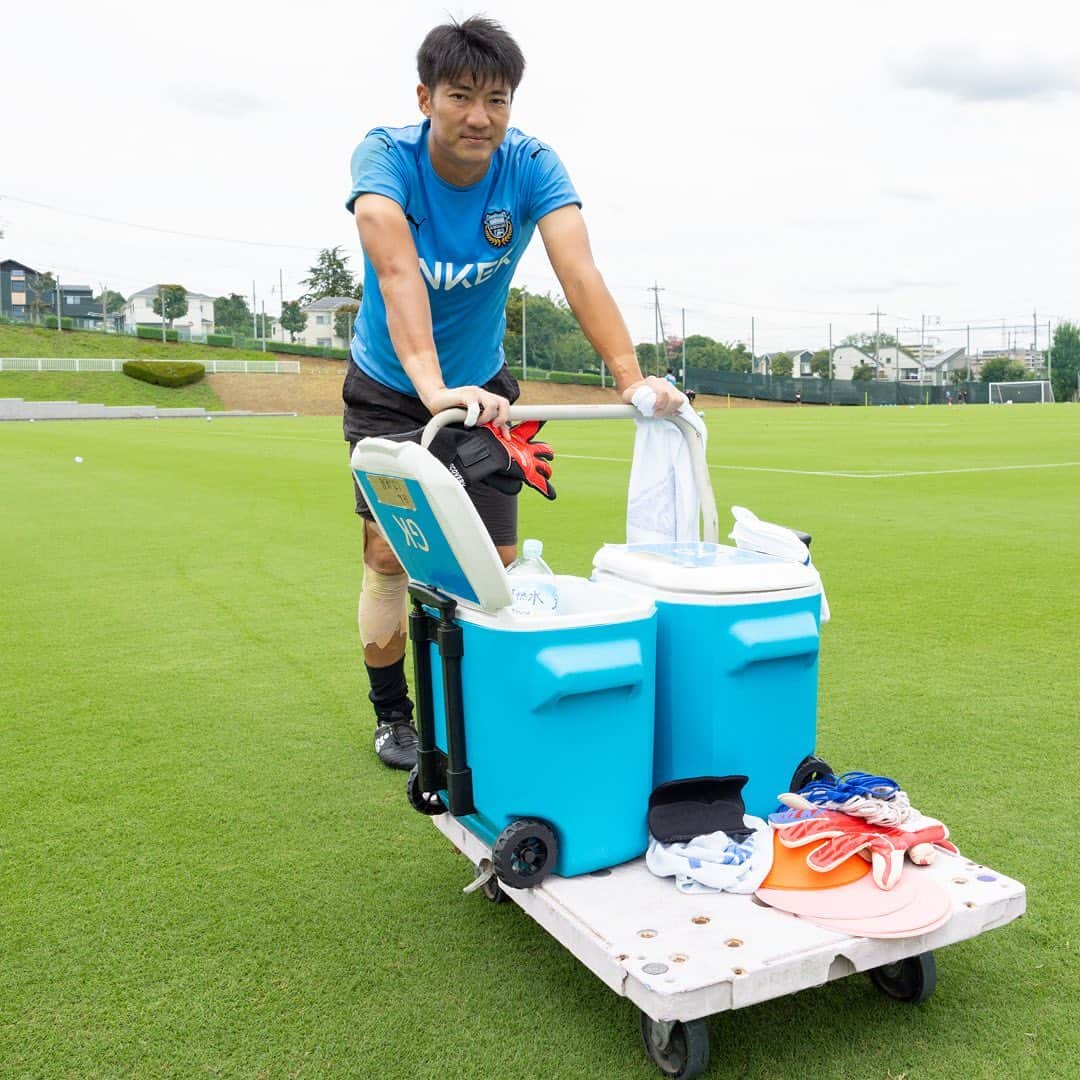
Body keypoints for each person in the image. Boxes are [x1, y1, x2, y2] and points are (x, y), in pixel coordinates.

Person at [344, 15, 684, 769]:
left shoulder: (530, 165)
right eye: (461, 96)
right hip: (394, 386)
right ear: (425, 96)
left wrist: (632, 380)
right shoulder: (385, 159)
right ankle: (393, 714)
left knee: (495, 562)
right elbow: (398, 273)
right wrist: (433, 387)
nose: (479, 117)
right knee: (388, 554)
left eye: (497, 99)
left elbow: (578, 270)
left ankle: (482, 708)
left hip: (486, 391)